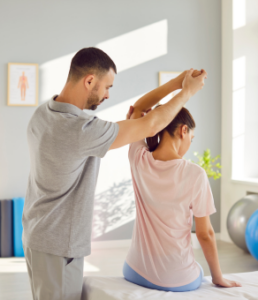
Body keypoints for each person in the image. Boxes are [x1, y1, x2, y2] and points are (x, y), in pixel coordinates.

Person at [22, 47, 206, 300]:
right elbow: (150, 123)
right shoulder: (80, 130)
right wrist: (186, 91)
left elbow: (142, 114)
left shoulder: (43, 113)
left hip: (36, 234)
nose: (108, 94)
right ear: (89, 81)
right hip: (59, 244)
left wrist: (176, 82)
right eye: (107, 86)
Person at [123, 96, 242, 292]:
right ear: (183, 130)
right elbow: (205, 234)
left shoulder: (138, 157)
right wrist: (218, 277)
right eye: (191, 138)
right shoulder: (195, 173)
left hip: (134, 271)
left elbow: (137, 109)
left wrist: (143, 116)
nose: (190, 144)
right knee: (199, 271)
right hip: (175, 278)